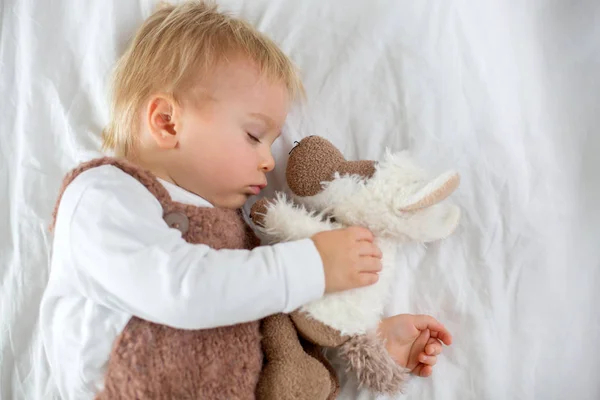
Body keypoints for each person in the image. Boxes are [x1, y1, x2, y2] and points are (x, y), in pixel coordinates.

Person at [40, 1, 452, 398]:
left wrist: (371, 340)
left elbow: (274, 336)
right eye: (254, 135)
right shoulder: (103, 196)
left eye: (271, 143)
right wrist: (314, 265)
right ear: (167, 123)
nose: (267, 162)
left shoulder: (239, 243)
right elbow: (182, 290)